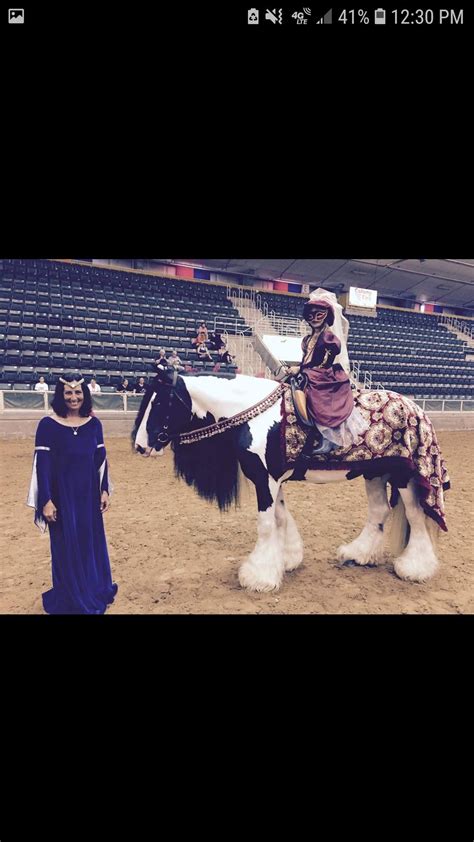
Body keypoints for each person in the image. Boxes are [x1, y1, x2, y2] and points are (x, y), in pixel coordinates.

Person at [27, 373, 117, 614]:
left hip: (88, 497)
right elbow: (42, 466)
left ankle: (92, 588)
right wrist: (45, 500)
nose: (73, 397)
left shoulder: (94, 424)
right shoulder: (47, 425)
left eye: (78, 392)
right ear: (61, 394)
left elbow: (101, 460)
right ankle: (71, 597)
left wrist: (105, 490)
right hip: (61, 498)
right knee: (65, 547)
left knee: (90, 544)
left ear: (84, 395)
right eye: (68, 392)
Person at [286, 292, 369, 454]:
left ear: (327, 316)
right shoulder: (307, 339)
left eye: (319, 314)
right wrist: (297, 367)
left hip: (323, 373)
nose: (314, 318)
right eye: (311, 315)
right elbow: (307, 359)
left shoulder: (330, 339)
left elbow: (323, 364)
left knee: (314, 390)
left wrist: (300, 369)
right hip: (310, 370)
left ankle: (327, 437)